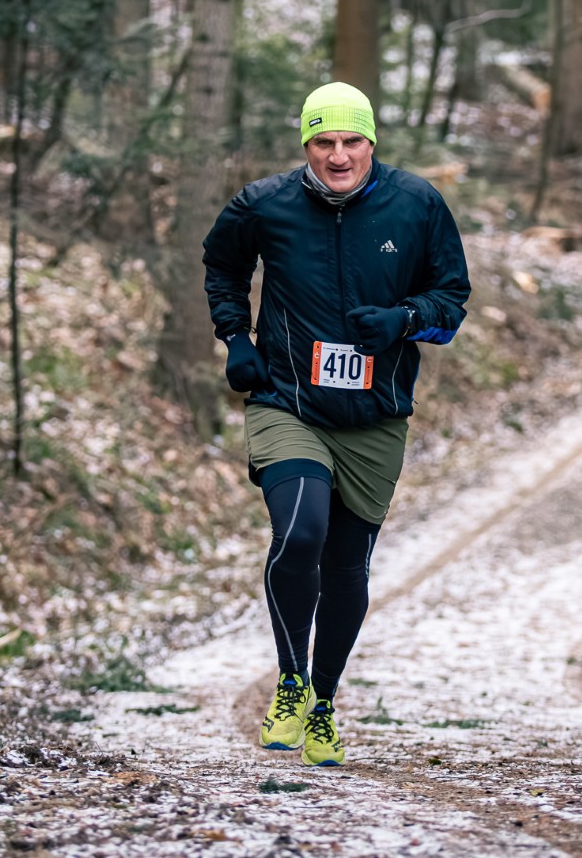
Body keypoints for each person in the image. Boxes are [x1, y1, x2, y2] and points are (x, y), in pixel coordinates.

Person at [201, 81, 471, 767]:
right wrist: (235, 337)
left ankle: (322, 703)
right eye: (324, 141)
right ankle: (291, 679)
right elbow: (222, 265)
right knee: (301, 531)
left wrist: (405, 320)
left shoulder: (417, 204)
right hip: (287, 401)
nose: (339, 155)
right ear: (307, 145)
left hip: (376, 415)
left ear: (372, 143)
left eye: (352, 141)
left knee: (347, 565)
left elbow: (451, 302)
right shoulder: (265, 204)